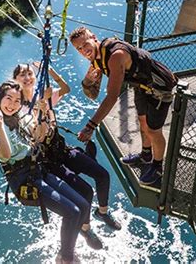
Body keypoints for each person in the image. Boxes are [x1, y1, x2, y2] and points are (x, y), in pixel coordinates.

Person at [0, 80, 89, 263]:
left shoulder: (19, 118)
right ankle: (66, 258)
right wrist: (0, 124)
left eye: (17, 101)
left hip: (37, 169)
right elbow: (6, 156)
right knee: (72, 212)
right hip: (24, 179)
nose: (12, 104)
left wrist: (42, 110)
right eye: (8, 99)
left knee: (83, 206)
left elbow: (39, 137)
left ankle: (67, 250)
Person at [13, 64, 121, 240]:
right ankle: (85, 228)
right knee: (86, 192)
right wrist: (42, 108)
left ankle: (102, 212)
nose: (27, 78)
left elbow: (66, 88)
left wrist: (49, 70)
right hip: (49, 161)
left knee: (102, 175)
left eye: (29, 73)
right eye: (21, 75)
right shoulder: (21, 108)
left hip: (61, 150)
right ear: (16, 80)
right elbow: (37, 136)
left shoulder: (43, 94)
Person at [69, 27, 178, 185]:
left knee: (154, 131)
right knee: (142, 122)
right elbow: (92, 95)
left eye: (85, 44)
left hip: (159, 87)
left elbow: (112, 96)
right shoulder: (95, 58)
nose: (83, 50)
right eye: (78, 48)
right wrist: (87, 81)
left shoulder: (116, 56)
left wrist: (91, 126)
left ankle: (157, 166)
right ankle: (145, 155)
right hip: (142, 86)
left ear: (94, 37)